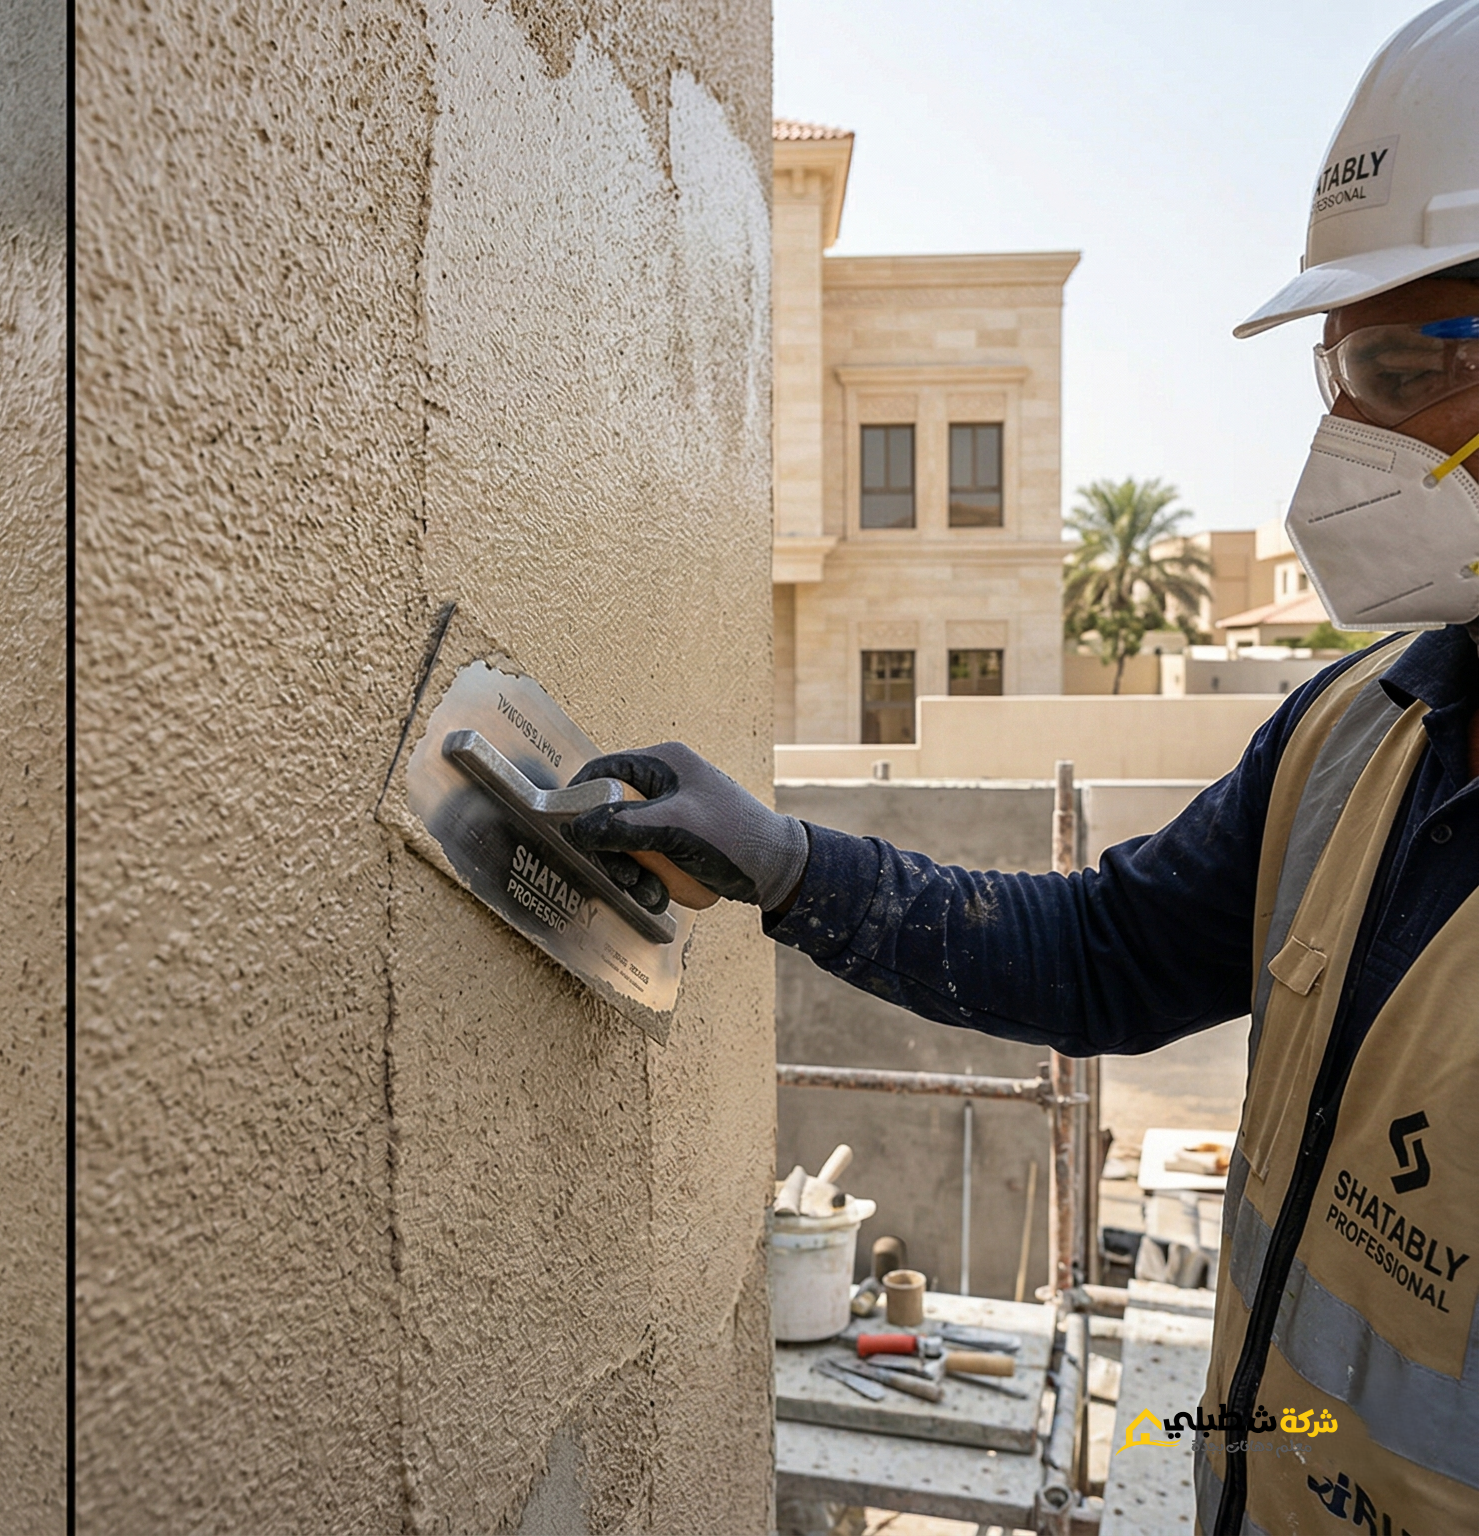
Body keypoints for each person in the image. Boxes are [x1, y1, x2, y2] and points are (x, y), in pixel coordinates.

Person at [567, 9, 1479, 1531]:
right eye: (1339, 367)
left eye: (1398, 364)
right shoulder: (1352, 736)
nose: (1344, 435)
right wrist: (794, 868)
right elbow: (1101, 953)